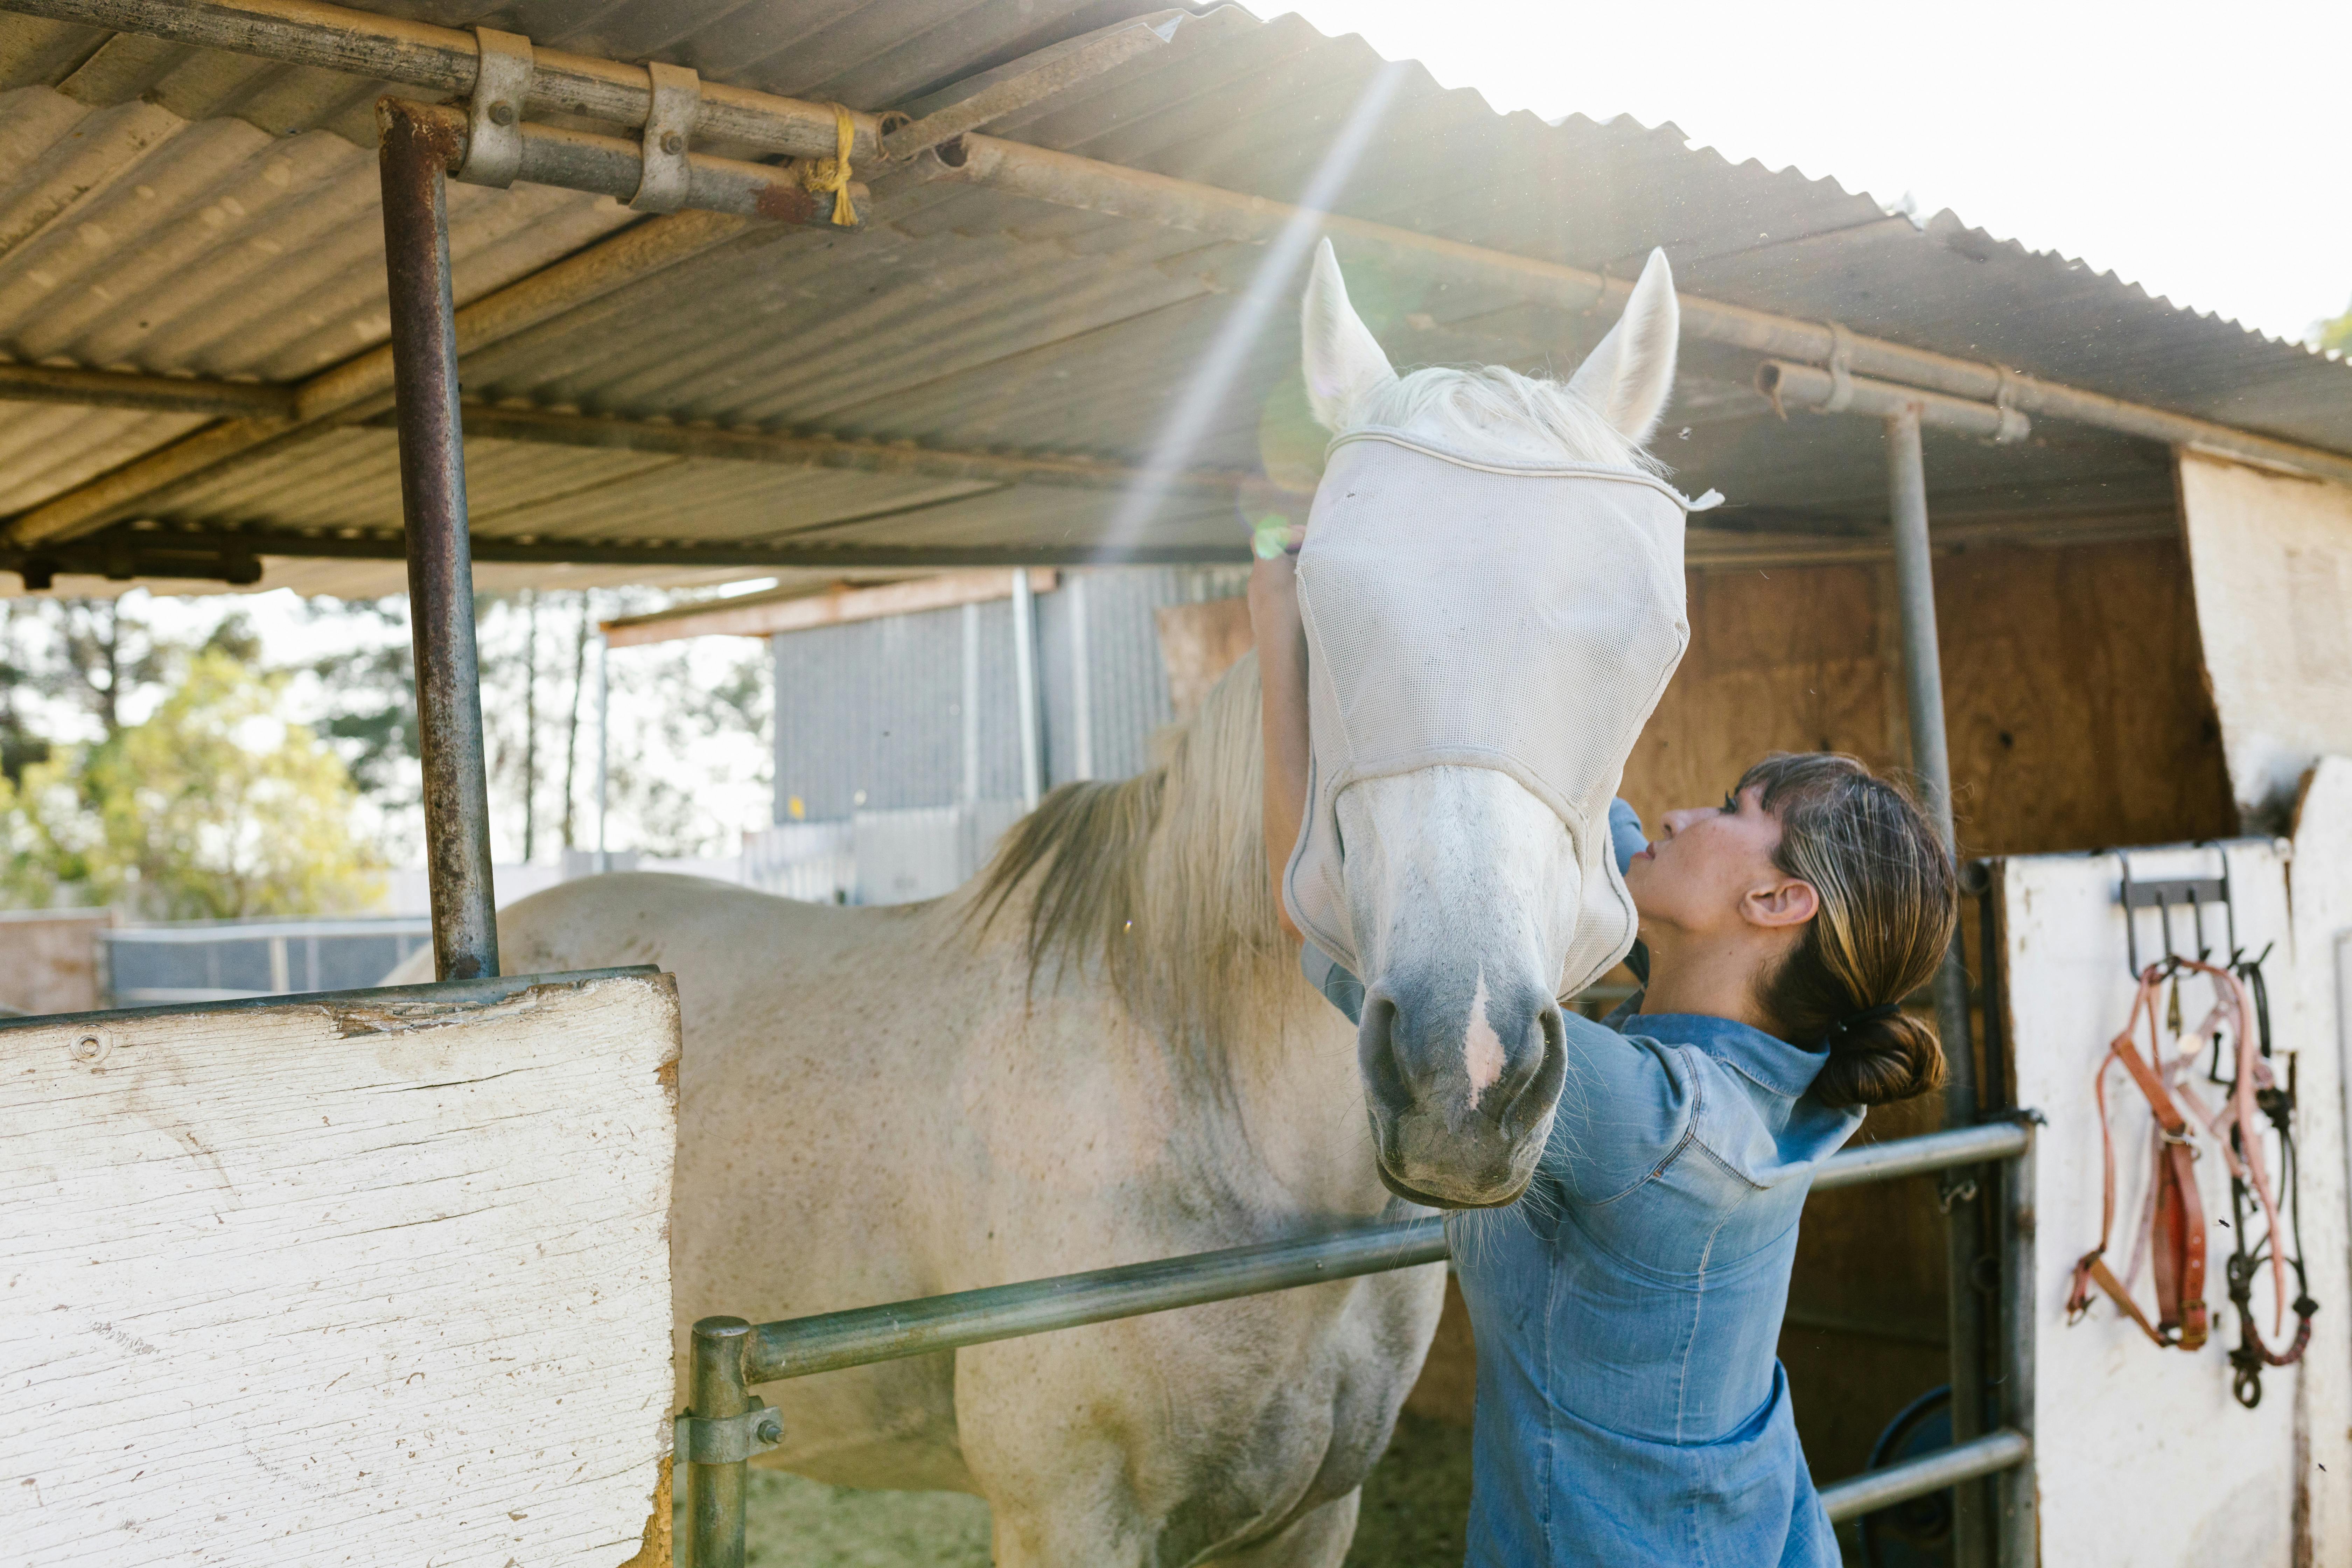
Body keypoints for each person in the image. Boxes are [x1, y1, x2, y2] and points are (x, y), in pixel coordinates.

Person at [1248, 542, 1959, 1567]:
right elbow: (1593, 811)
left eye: (1732, 811)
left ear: (1774, 903)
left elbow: (1303, 908)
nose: (1681, 814)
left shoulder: (1659, 1126)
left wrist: (1279, 620)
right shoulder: (1778, 1077)